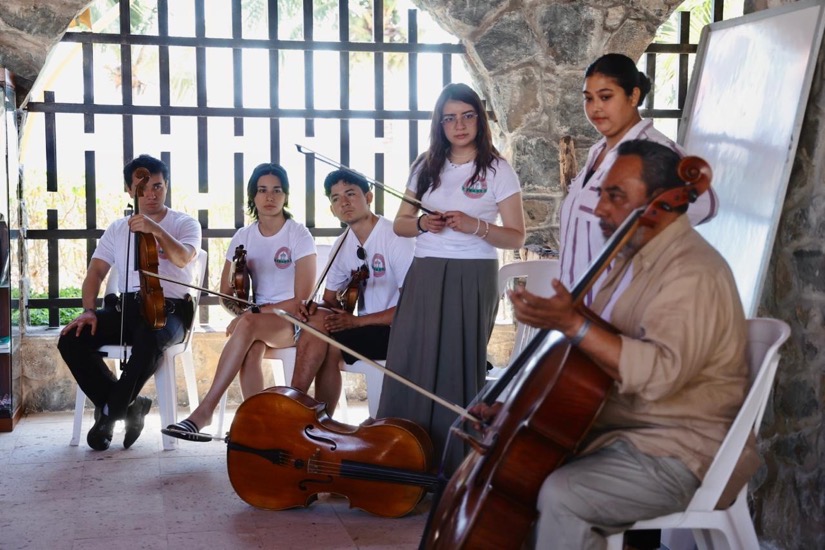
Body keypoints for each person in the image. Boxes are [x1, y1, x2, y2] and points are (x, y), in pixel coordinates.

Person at [471, 140, 759, 549]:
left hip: (682, 450)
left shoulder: (692, 271)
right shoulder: (632, 259)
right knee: (520, 466)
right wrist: (519, 415)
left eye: (616, 196)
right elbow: (591, 370)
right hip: (628, 432)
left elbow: (658, 375)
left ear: (662, 202)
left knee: (564, 495)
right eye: (603, 193)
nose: (600, 208)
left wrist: (573, 323)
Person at [377, 82, 526, 473]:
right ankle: (402, 457)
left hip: (472, 273)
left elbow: (516, 236)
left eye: (467, 116)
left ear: (479, 119)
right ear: (439, 124)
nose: (459, 125)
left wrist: (476, 225)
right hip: (426, 271)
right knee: (410, 358)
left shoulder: (498, 169)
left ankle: (452, 466)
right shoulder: (425, 165)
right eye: (450, 118)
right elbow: (400, 224)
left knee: (457, 365)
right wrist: (423, 224)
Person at [161, 163, 316, 441]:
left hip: (293, 322)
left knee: (247, 326)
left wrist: (252, 314)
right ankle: (259, 427)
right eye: (262, 190)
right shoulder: (243, 237)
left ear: (285, 196)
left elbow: (301, 300)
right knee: (251, 349)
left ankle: (204, 413)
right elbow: (226, 294)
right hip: (258, 324)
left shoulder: (298, 234)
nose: (269, 197)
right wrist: (244, 312)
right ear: (253, 196)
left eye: (277, 190)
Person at [58, 154, 202, 451]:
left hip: (170, 312)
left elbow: (183, 258)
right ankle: (130, 407)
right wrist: (88, 311)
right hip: (127, 309)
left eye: (158, 186)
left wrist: (156, 230)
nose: (151, 194)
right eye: (142, 188)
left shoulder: (184, 223)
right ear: (129, 190)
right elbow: (95, 273)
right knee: (72, 338)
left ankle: (109, 414)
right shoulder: (118, 228)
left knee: (150, 338)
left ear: (166, 186)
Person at [561, 53, 718, 305]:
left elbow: (706, 203)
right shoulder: (597, 151)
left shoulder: (655, 149)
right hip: (579, 305)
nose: (595, 108)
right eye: (588, 99)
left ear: (633, 96)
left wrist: (644, 230)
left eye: (606, 97)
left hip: (620, 308)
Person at [292, 169, 414, 414]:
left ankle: (295, 405)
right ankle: (317, 418)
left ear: (368, 197)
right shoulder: (342, 244)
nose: (344, 202)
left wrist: (357, 322)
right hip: (367, 330)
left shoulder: (395, 237)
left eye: (350, 194)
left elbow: (412, 307)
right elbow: (329, 302)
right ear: (332, 209)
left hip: (402, 332)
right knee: (322, 331)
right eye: (336, 198)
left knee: (328, 340)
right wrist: (314, 308)